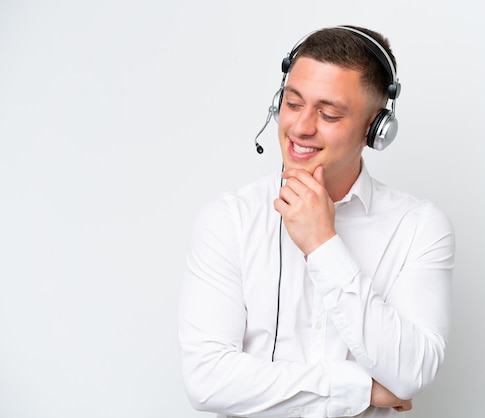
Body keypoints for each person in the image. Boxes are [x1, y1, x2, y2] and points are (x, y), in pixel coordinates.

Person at [178, 25, 455, 417]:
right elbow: (207, 381)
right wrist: (363, 389)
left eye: (328, 113)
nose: (302, 127)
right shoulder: (228, 220)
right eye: (292, 104)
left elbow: (411, 372)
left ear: (375, 131)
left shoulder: (420, 227)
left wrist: (322, 244)